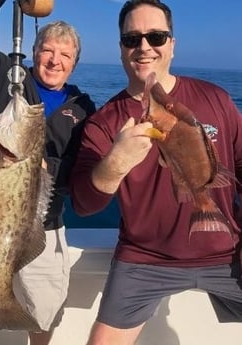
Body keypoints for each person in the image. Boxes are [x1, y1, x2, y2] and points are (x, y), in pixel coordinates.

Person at [69, 1, 242, 344]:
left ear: (172, 45)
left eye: (156, 36)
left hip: (228, 253)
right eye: (132, 38)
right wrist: (117, 162)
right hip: (144, 258)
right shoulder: (104, 123)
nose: (144, 47)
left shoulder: (216, 98)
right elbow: (84, 205)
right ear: (121, 48)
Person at [0, 1, 96, 345]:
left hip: (44, 228)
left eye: (65, 54)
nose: (54, 60)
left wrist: (49, 168)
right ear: (33, 51)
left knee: (44, 311)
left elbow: (85, 168)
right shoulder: (5, 77)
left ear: (75, 63)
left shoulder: (84, 109)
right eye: (47, 50)